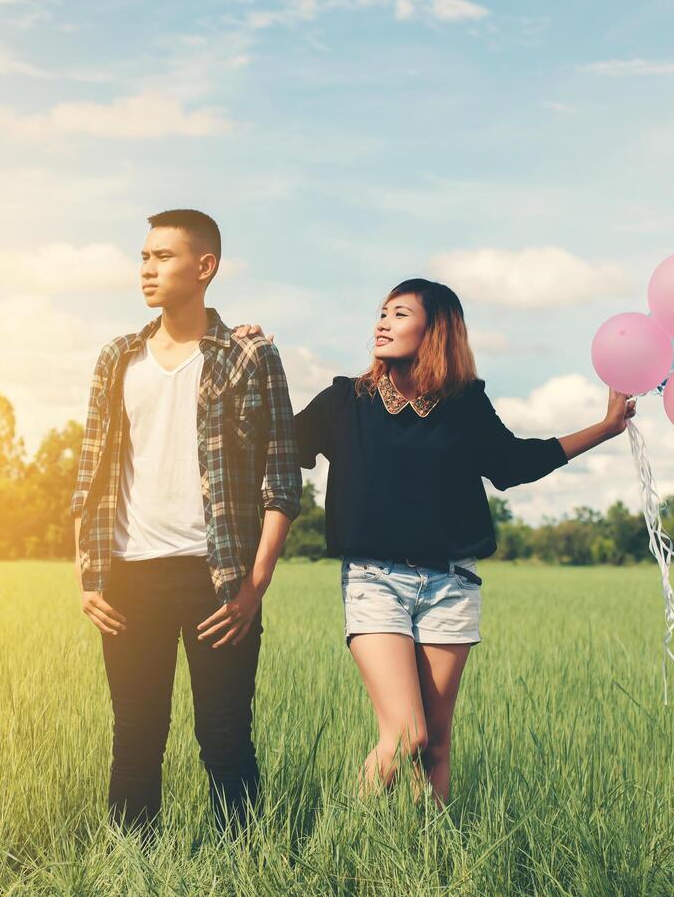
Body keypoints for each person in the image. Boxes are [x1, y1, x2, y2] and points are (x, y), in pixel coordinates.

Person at [239, 277, 633, 805]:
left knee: (436, 746)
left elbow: (515, 464)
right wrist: (251, 362)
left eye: (400, 314)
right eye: (382, 312)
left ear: (435, 329)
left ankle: (435, 857)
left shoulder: (465, 404)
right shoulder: (344, 400)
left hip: (452, 582)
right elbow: (272, 441)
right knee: (407, 734)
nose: (382, 322)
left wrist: (606, 428)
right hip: (374, 581)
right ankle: (346, 838)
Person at [70, 209, 302, 836]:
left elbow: (282, 480)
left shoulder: (250, 355)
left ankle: (242, 868)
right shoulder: (117, 358)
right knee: (136, 737)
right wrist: (88, 576)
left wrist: (254, 585)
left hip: (217, 577)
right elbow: (90, 474)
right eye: (144, 257)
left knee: (224, 740)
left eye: (163, 257)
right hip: (130, 576)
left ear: (205, 268)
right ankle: (131, 869)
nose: (147, 269)